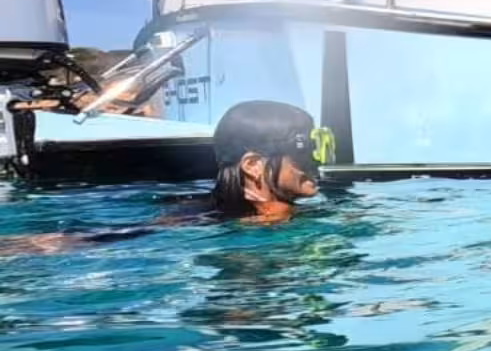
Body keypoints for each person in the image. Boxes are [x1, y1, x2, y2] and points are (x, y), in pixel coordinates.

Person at [0, 100, 329, 257]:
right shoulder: (207, 225)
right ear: (254, 165)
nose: (316, 160)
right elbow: (106, 239)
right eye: (306, 148)